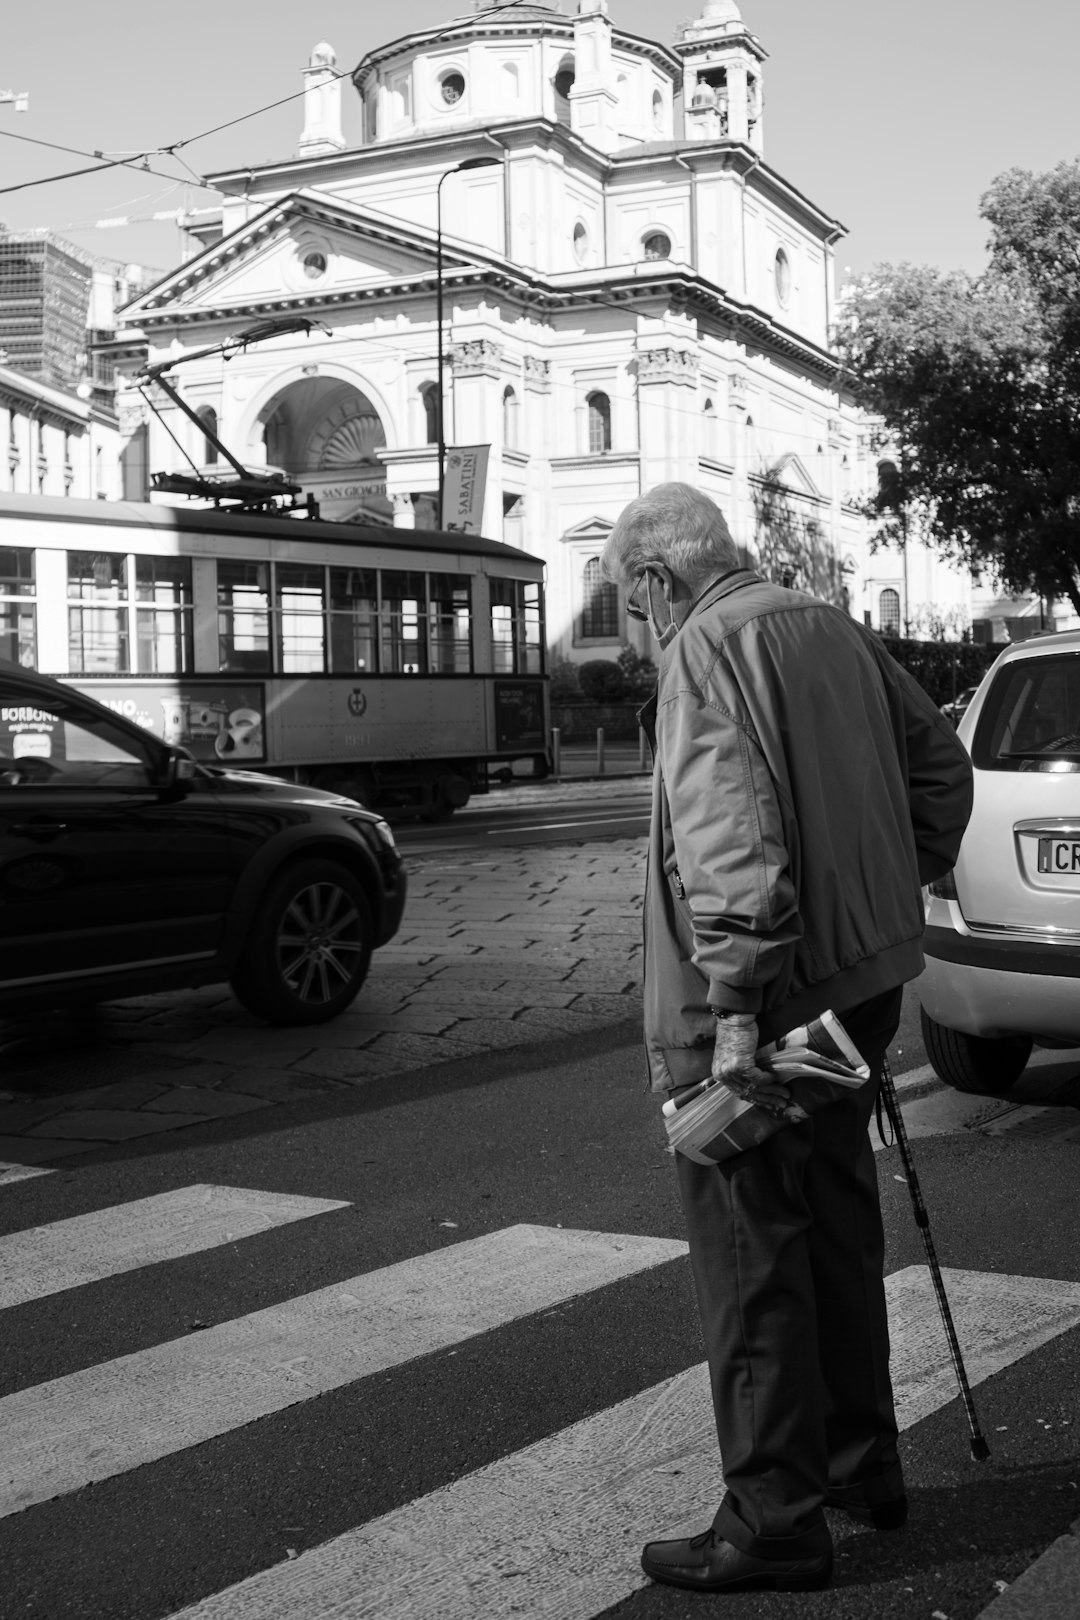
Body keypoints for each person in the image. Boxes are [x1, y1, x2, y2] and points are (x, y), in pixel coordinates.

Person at [601, 482, 973, 1596]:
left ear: (659, 580)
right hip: (857, 982)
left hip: (765, 996)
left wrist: (732, 1008)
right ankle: (863, 1465)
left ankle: (772, 1519)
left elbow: (731, 841)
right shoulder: (830, 628)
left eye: (627, 604)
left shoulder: (704, 649)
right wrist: (881, 882)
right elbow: (942, 775)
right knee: (836, 1225)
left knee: (753, 1249)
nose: (633, 630)